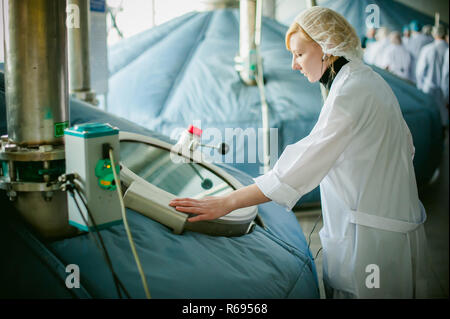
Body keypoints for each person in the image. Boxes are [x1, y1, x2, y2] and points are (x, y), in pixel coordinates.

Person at [169, 6, 428, 299]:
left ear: (327, 48)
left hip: (372, 245)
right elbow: (407, 148)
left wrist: (227, 202)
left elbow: (299, 167)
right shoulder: (366, 80)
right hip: (389, 231)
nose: (294, 64)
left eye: (300, 53)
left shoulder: (350, 93)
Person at [416, 25, 449, 126]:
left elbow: (419, 72)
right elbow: (446, 76)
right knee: (443, 122)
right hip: (445, 93)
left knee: (430, 123)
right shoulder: (447, 49)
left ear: (434, 34)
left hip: (428, 90)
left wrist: (420, 89)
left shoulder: (427, 49)